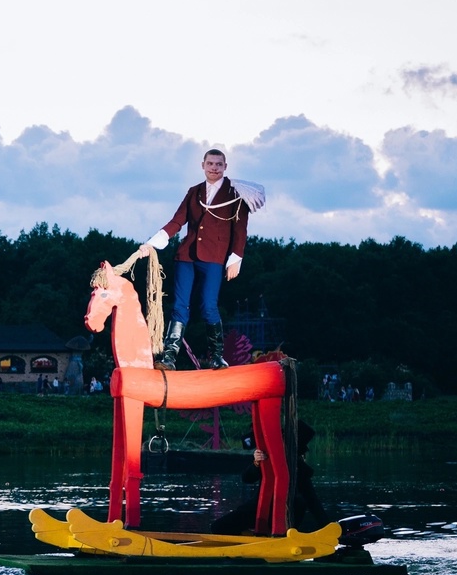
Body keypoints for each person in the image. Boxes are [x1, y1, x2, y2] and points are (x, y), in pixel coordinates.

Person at [140, 149, 259, 370]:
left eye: (219, 164)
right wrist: (152, 242)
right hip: (186, 256)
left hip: (214, 257)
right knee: (179, 306)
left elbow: (240, 229)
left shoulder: (237, 194)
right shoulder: (194, 192)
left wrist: (236, 258)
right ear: (202, 165)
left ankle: (216, 356)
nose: (214, 168)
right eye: (210, 163)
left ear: (225, 167)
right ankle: (169, 357)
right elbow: (177, 221)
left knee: (208, 306)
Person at [211, 422, 329, 535]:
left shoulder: (299, 470)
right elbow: (247, 478)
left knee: (300, 501)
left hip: (284, 516)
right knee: (218, 527)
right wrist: (257, 463)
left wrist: (327, 529)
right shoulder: (267, 457)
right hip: (258, 510)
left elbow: (313, 502)